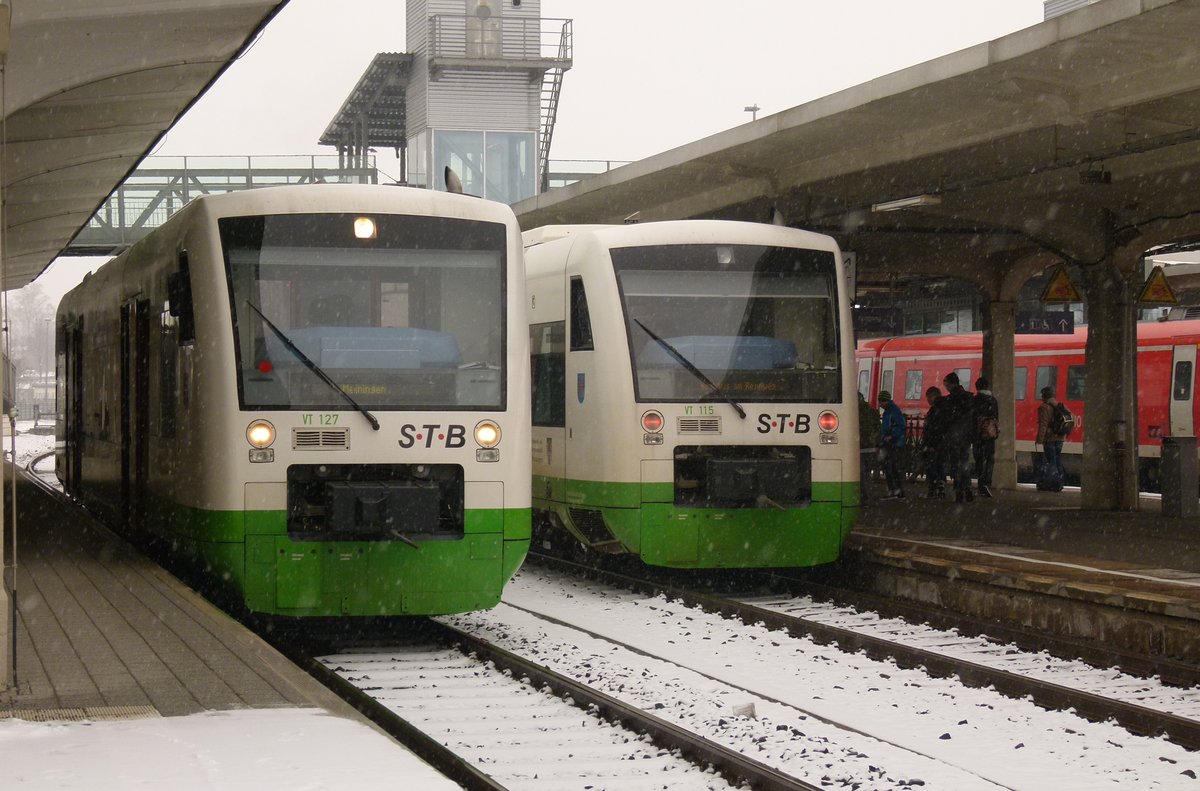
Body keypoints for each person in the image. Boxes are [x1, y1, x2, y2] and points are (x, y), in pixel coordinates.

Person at [940, 372, 975, 503]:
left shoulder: (952, 399)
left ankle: (959, 491)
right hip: (965, 435)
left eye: (946, 384)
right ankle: (968, 490)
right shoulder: (968, 397)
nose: (946, 387)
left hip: (955, 436)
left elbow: (948, 418)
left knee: (956, 464)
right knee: (964, 463)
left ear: (951, 383)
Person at [971, 376, 999, 498]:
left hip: (977, 435)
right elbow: (996, 418)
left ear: (977, 387)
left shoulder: (974, 400)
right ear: (988, 387)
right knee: (990, 458)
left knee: (979, 459)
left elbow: (971, 418)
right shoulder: (993, 400)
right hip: (990, 434)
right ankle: (987, 482)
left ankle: (981, 484)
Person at [1037, 386, 1067, 491]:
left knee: (1051, 461)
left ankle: (1054, 483)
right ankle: (1060, 482)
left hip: (1050, 438)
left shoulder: (1044, 407)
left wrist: (1039, 440)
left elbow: (1043, 425)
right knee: (1057, 459)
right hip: (1060, 438)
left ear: (1045, 396)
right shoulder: (1060, 406)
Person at [878, 390, 906, 499]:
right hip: (892, 443)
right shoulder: (891, 411)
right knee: (891, 467)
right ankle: (895, 490)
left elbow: (900, 426)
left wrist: (891, 436)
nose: (880, 404)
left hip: (893, 443)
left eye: (881, 402)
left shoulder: (892, 411)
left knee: (891, 467)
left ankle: (895, 490)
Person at [921, 386, 948, 498]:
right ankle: (940, 488)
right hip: (942, 444)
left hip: (934, 445)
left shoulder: (935, 410)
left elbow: (933, 429)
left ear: (933, 396)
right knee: (940, 467)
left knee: (932, 468)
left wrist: (931, 444)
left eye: (928, 397)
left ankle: (933, 490)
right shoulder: (944, 408)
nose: (927, 400)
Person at [858, 392, 882, 503]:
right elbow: (878, 429)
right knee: (867, 473)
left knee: (861, 474)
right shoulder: (872, 412)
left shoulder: (854, 412)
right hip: (871, 447)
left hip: (860, 447)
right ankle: (866, 495)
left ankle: (864, 497)